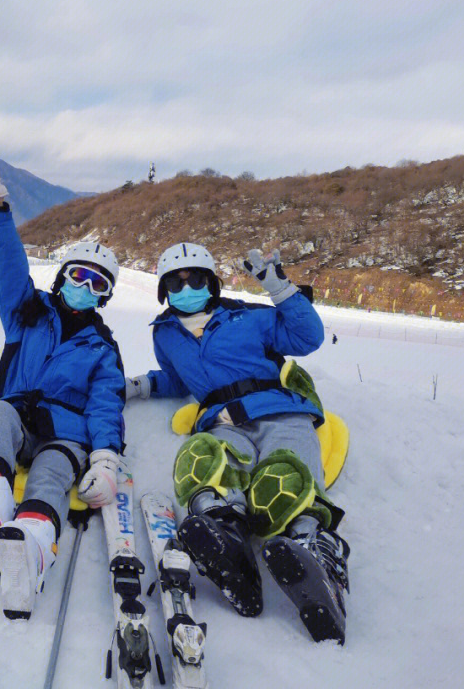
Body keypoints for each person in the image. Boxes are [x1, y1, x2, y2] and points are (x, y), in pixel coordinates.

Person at [126, 244, 350, 643]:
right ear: (163, 290)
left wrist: (278, 287)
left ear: (211, 282)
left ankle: (311, 546)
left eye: (195, 278)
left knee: (285, 473)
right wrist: (141, 386)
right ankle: (226, 537)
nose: (187, 287)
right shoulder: (165, 334)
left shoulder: (248, 316)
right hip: (223, 423)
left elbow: (307, 336)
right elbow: (177, 379)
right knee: (202, 458)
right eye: (176, 282)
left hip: (279, 411)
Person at [0, 151, 126, 620]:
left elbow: (107, 404)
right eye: (78, 276)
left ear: (105, 297)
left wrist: (105, 457)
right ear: (62, 276)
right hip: (19, 420)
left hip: (64, 435)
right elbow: (6, 267)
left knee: (50, 473)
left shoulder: (101, 348)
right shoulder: (27, 314)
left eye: (97, 284)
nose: (85, 288)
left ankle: (33, 543)